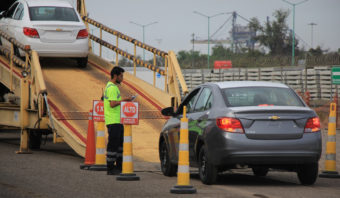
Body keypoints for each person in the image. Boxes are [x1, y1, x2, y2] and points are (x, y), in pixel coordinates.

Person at [103, 66, 133, 175]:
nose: (122, 78)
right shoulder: (111, 88)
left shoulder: (113, 87)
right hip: (113, 121)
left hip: (117, 121)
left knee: (119, 146)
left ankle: (119, 167)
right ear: (115, 76)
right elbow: (112, 104)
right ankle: (110, 168)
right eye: (121, 76)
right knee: (113, 145)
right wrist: (124, 100)